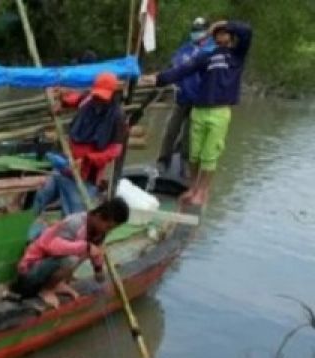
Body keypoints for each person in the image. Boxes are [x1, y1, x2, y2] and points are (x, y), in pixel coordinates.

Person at [147, 20, 252, 206]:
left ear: (231, 36)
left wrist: (223, 23)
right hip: (199, 109)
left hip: (219, 111)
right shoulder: (206, 56)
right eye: (218, 33)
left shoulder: (236, 56)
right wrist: (157, 79)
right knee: (194, 155)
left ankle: (203, 191)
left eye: (224, 32)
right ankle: (193, 188)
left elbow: (246, 30)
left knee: (209, 156)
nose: (221, 35)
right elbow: (181, 70)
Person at [30, 73, 127, 230]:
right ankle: (26, 232)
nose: (99, 100)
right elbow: (73, 100)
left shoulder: (117, 118)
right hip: (65, 165)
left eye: (103, 97)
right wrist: (61, 102)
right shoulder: (88, 99)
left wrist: (88, 159)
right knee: (42, 194)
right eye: (98, 95)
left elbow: (114, 151)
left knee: (73, 217)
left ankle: (66, 246)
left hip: (86, 175)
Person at [12, 198, 130, 309]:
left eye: (112, 228)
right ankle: (46, 289)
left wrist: (98, 270)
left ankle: (57, 284)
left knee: (82, 253)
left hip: (48, 268)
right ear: (98, 216)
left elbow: (96, 252)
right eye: (108, 226)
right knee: (72, 258)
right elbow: (52, 247)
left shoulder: (99, 231)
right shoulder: (75, 223)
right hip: (30, 272)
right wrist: (86, 247)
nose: (108, 231)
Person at [155, 17, 212, 179]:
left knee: (189, 135)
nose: (196, 33)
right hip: (182, 97)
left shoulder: (211, 50)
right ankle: (162, 159)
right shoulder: (185, 49)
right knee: (171, 129)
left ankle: (184, 163)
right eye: (194, 29)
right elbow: (176, 68)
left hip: (199, 100)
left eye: (199, 29)